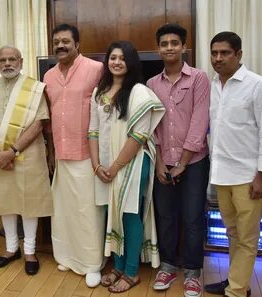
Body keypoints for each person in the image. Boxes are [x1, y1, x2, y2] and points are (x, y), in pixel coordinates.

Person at [204, 32, 262, 297]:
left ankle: (235, 291)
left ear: (239, 54)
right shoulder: (213, 85)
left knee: (247, 239)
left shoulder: (258, 85)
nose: (218, 58)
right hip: (222, 174)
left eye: (225, 53)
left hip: (248, 177)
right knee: (233, 234)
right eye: (214, 53)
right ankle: (238, 283)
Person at [89, 41, 164, 293]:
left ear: (130, 62)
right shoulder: (99, 92)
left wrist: (115, 166)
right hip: (107, 165)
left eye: (122, 58)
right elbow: (93, 131)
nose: (117, 62)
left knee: (130, 214)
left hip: (133, 162)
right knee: (115, 213)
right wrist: (97, 164)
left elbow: (139, 136)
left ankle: (132, 272)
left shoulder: (139, 92)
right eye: (112, 57)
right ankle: (118, 266)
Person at [0, 46, 53, 276]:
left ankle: (29, 251)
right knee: (4, 201)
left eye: (12, 59)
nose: (7, 63)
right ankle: (11, 249)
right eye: (2, 60)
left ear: (21, 61)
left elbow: (39, 123)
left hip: (28, 157)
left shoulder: (34, 89)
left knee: (29, 203)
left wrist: (12, 152)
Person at [147, 24, 210, 297]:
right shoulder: (151, 84)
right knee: (165, 216)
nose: (169, 47)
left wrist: (183, 161)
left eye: (175, 42)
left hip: (194, 161)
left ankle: (193, 272)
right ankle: (169, 265)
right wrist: (160, 163)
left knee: (193, 217)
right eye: (164, 43)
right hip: (163, 160)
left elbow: (200, 121)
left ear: (183, 47)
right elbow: (153, 127)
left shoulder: (198, 78)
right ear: (158, 48)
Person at [43, 23, 105, 287]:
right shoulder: (48, 76)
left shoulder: (96, 69)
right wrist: (49, 150)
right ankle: (67, 256)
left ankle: (92, 263)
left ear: (78, 44)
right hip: (60, 152)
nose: (61, 45)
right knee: (64, 210)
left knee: (88, 211)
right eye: (56, 41)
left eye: (66, 41)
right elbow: (48, 115)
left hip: (87, 154)